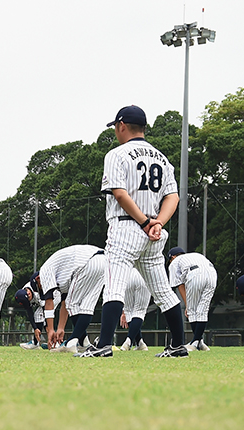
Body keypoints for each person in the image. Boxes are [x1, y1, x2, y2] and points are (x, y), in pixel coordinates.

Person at [81, 104, 188, 358]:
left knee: (115, 286)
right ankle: (178, 345)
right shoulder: (162, 158)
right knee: (162, 290)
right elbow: (173, 197)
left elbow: (119, 193)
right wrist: (157, 223)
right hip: (154, 232)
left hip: (127, 225)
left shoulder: (116, 154)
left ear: (121, 126)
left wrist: (143, 222)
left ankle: (104, 345)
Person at [38, 244, 106, 353]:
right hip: (104, 261)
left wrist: (50, 330)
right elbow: (64, 303)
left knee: (73, 304)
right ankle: (84, 343)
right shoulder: (61, 275)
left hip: (87, 262)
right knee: (86, 306)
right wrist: (60, 328)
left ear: (38, 278)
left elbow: (49, 301)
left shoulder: (44, 271)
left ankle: (71, 342)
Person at [167, 247, 218, 351]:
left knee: (192, 310)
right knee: (202, 310)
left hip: (195, 274)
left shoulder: (174, 262)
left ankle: (195, 342)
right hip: (212, 273)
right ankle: (200, 342)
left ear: (172, 257)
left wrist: (187, 304)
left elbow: (180, 285)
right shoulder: (195, 255)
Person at [117, 268, 151, 351]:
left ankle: (140, 343)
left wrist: (123, 312)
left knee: (128, 311)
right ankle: (129, 341)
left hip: (128, 275)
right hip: (144, 274)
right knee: (139, 311)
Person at [13, 274, 47, 349]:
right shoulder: (22, 293)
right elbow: (29, 312)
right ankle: (36, 343)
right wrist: (35, 328)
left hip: (54, 296)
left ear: (28, 292)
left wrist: (46, 325)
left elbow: (45, 309)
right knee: (38, 316)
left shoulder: (36, 292)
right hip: (43, 302)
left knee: (40, 315)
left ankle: (55, 341)